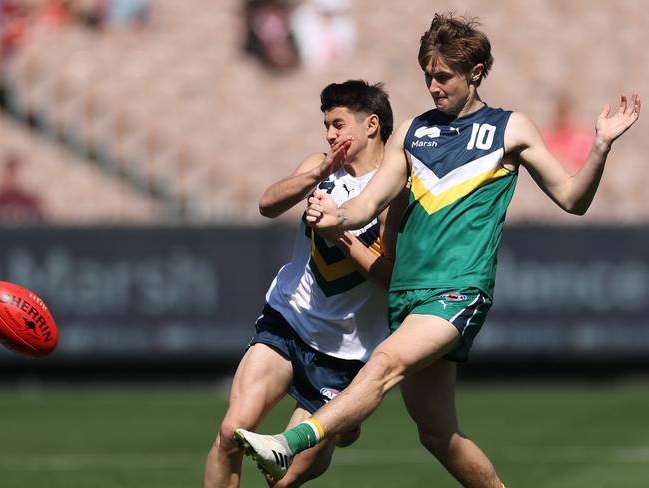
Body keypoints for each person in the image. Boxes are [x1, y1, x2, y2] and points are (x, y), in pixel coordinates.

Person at [234, 12, 641, 488]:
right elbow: (366, 203)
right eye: (427, 75)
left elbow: (573, 200)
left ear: (477, 72)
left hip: (458, 292)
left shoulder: (510, 129)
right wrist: (333, 216)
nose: (433, 85)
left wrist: (601, 147)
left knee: (383, 364)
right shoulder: (411, 132)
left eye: (443, 75)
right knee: (437, 433)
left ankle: (291, 443)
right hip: (409, 297)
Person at [203, 79, 405, 487]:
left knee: (282, 479)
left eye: (338, 124)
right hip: (289, 320)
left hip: (345, 353)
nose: (329, 134)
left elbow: (391, 279)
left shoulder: (396, 191)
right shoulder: (320, 166)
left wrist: (340, 236)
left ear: (371, 125)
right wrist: (313, 174)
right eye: (326, 125)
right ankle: (341, 427)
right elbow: (267, 205)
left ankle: (341, 424)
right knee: (230, 433)